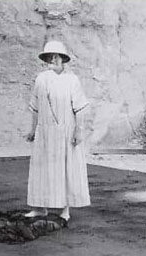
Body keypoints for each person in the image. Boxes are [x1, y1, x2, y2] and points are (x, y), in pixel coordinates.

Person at [25, 41, 90, 222]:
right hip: (44, 132)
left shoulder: (72, 80)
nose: (52, 59)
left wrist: (79, 131)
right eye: (49, 56)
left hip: (64, 133)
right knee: (41, 169)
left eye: (56, 56)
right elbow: (35, 107)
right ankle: (39, 208)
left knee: (64, 169)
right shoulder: (40, 79)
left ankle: (64, 209)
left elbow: (80, 109)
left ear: (63, 59)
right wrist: (32, 130)